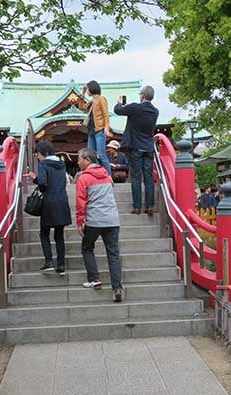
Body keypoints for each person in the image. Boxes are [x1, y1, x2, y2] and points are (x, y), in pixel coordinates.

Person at [75, 148, 124, 302]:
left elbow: (80, 203)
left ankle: (95, 278)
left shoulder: (83, 179)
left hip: (94, 220)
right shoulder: (107, 176)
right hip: (112, 219)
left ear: (87, 160)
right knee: (113, 254)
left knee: (87, 247)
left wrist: (79, 221)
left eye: (79, 159)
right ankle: (117, 288)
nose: (77, 162)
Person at [114, 85, 159, 215]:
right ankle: (150, 206)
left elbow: (118, 110)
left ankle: (137, 207)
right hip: (149, 147)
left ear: (143, 95)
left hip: (136, 147)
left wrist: (119, 103)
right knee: (149, 177)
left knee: (136, 177)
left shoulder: (135, 107)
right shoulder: (155, 111)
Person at [28, 141, 71, 275]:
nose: (38, 157)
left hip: (49, 202)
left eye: (38, 154)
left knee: (44, 233)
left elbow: (43, 183)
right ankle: (61, 265)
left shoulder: (44, 164)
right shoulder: (61, 164)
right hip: (62, 202)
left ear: (44, 154)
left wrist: (36, 179)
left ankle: (49, 262)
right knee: (59, 235)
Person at [78, 80, 112, 176]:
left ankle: (108, 177)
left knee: (101, 155)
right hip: (91, 131)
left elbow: (106, 114)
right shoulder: (92, 101)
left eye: (87, 88)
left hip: (99, 130)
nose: (87, 90)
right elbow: (82, 107)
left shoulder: (101, 99)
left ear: (92, 88)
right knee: (91, 156)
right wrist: (82, 94)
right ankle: (97, 176)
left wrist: (106, 127)